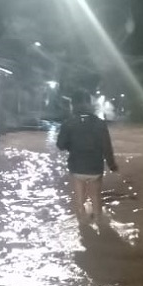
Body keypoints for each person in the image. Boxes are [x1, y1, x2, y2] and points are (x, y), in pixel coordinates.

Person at [56, 91, 118, 224]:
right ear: (90, 105)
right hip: (95, 167)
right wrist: (112, 165)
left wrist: (72, 146)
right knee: (96, 197)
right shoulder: (100, 124)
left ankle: (83, 228)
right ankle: (99, 225)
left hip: (77, 167)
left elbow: (60, 145)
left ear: (73, 105)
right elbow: (107, 147)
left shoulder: (68, 123)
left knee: (79, 199)